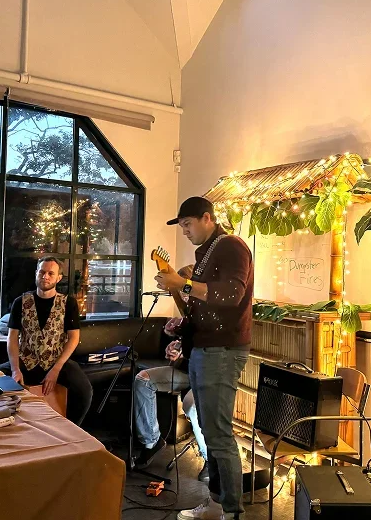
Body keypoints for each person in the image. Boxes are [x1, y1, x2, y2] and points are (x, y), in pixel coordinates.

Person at [155, 196, 253, 520]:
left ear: (207, 218)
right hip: (205, 350)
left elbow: (231, 295)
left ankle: (231, 510)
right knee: (210, 431)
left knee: (219, 433)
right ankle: (215, 501)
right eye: (181, 226)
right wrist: (182, 323)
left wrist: (181, 282)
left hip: (221, 353)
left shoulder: (232, 246)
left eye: (187, 224)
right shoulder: (207, 254)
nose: (183, 231)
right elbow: (207, 307)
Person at [134, 266, 210, 483]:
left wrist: (183, 348)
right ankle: (152, 441)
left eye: (186, 290)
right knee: (143, 380)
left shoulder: (210, 311)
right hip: (185, 372)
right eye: (182, 292)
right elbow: (185, 343)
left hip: (207, 377)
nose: (184, 296)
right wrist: (174, 343)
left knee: (193, 407)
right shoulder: (188, 312)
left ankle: (209, 459)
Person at [0, 256, 93, 426]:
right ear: (36, 274)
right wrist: (15, 369)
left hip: (56, 361)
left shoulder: (68, 303)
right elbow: (12, 337)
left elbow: (74, 338)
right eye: (42, 272)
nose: (45, 276)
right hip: (26, 360)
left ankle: (71, 429)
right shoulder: (21, 302)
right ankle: (4, 426)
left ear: (58, 277)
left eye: (50, 273)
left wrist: (56, 369)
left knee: (85, 391)